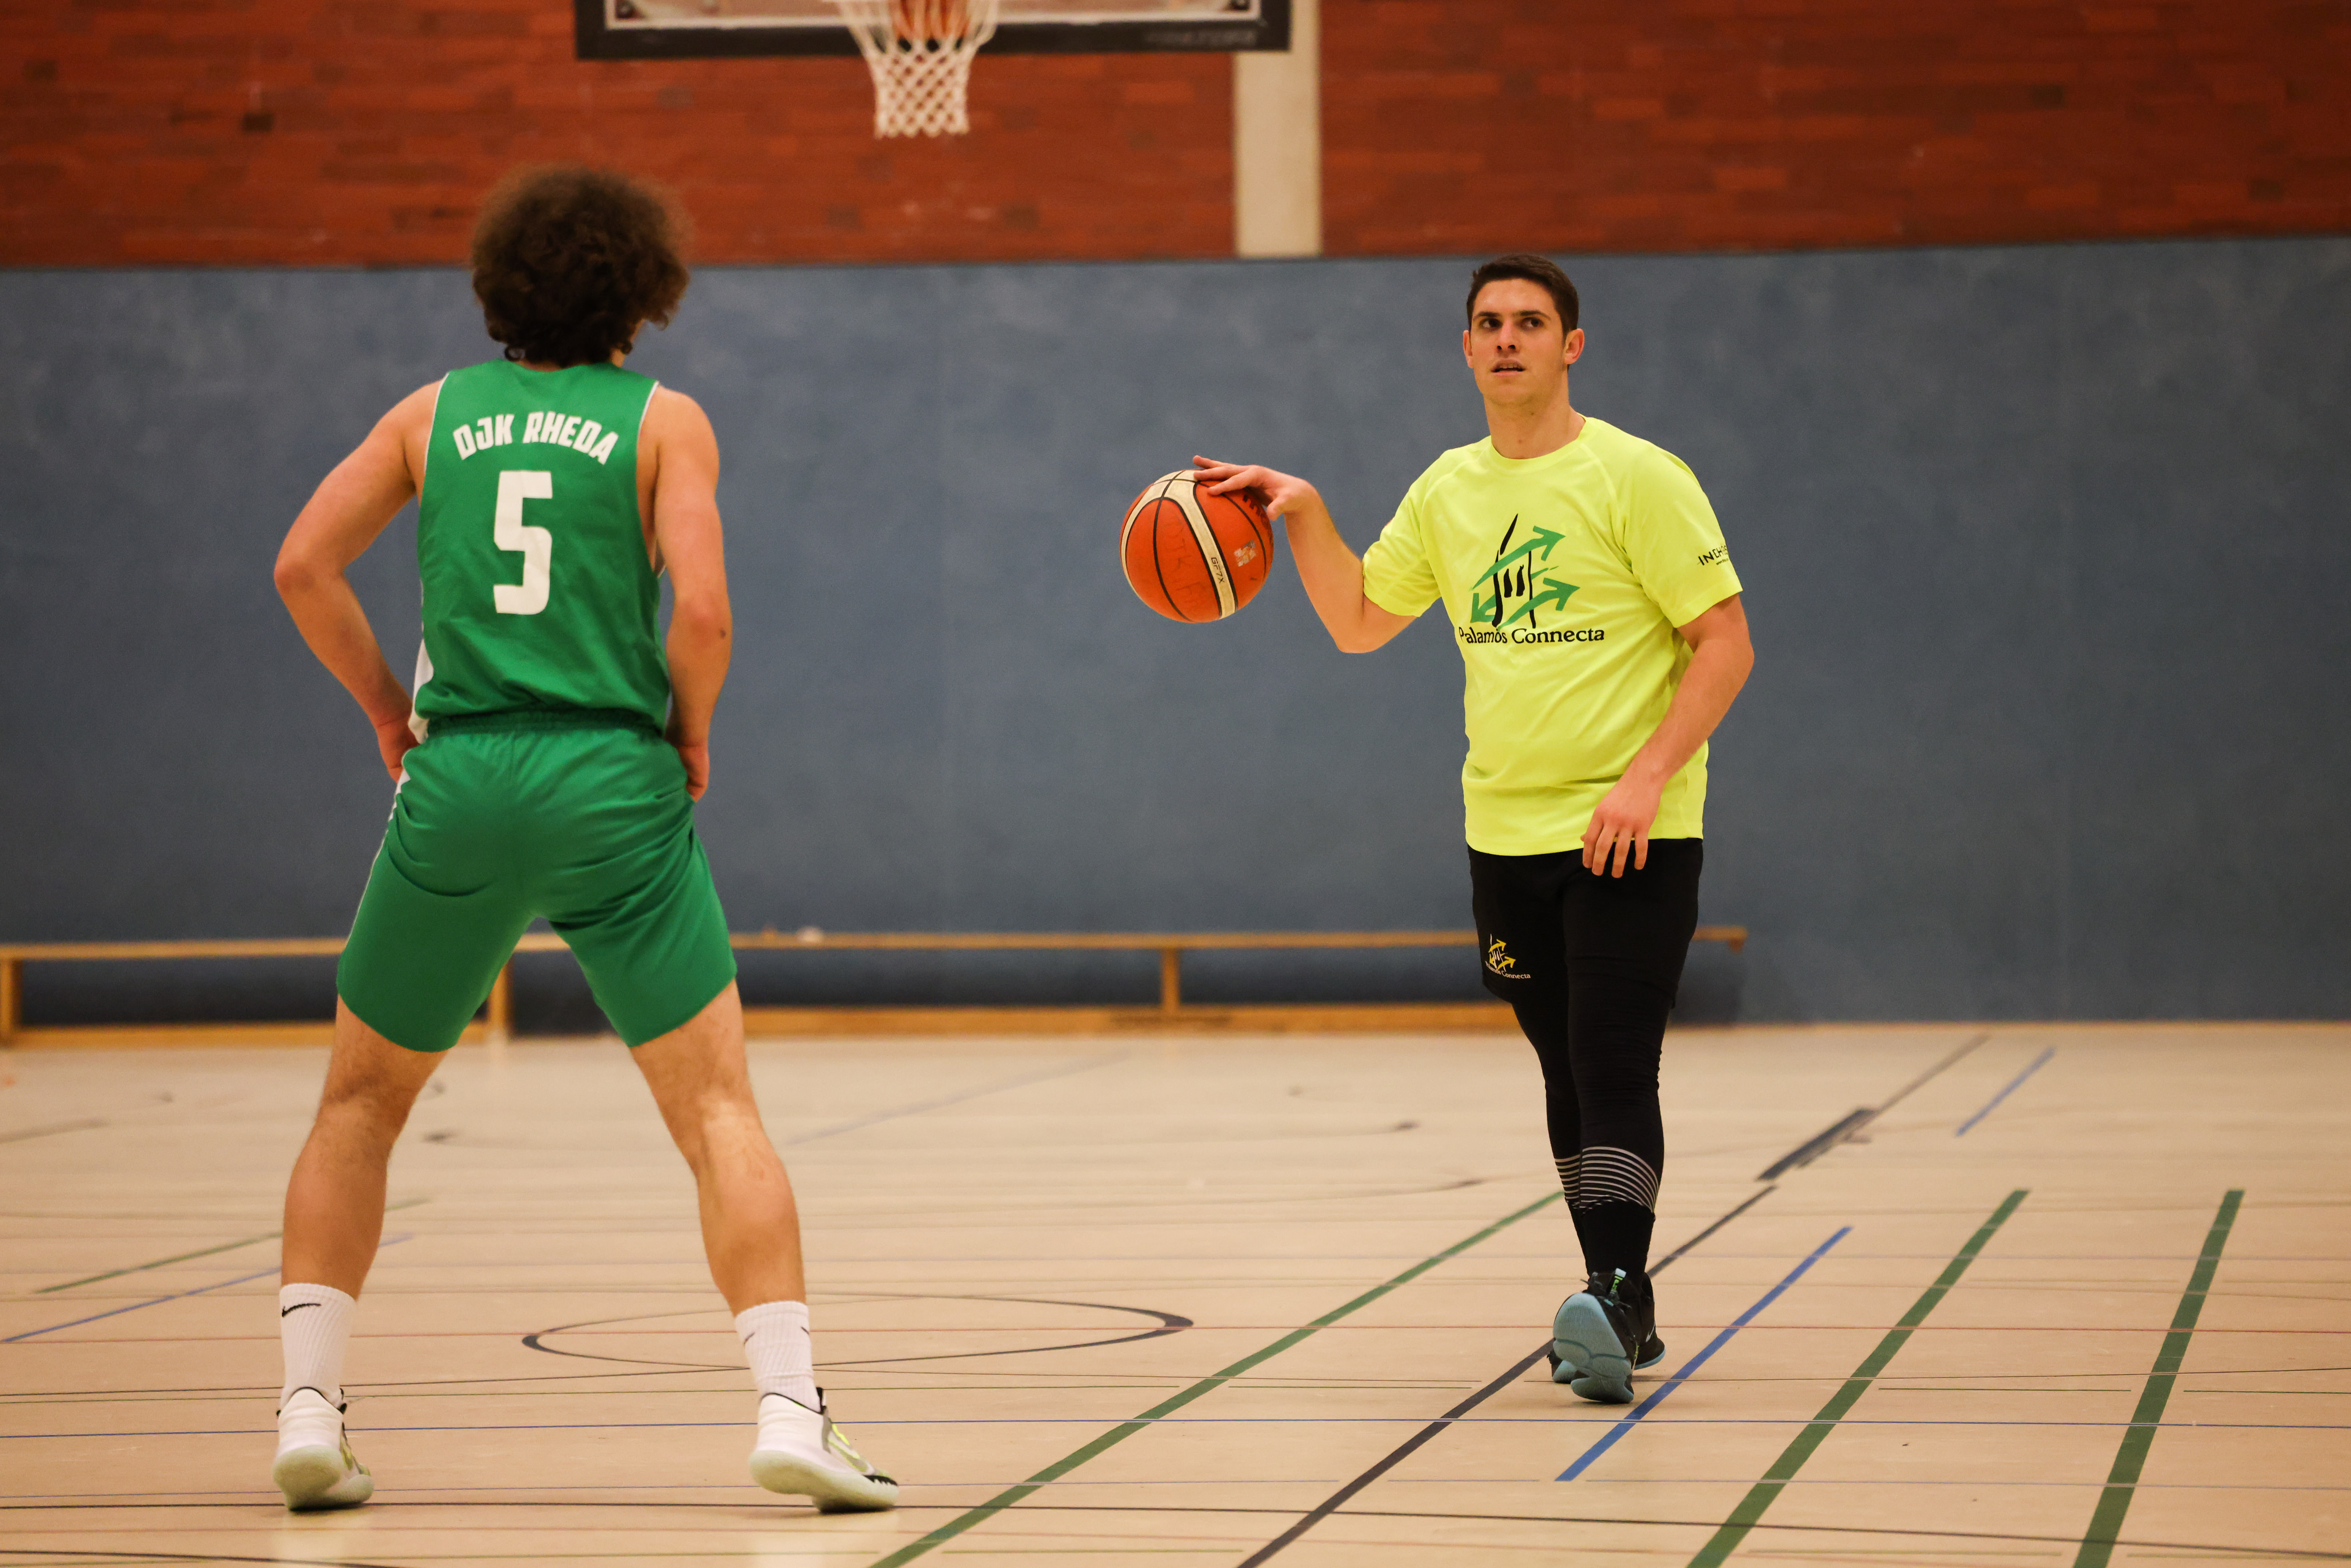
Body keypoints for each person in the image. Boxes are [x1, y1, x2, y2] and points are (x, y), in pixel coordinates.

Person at [267, 166, 897, 1511]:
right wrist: (691, 733)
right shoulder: (666, 424)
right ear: (643, 291)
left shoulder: (428, 416)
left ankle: (307, 1411)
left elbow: (301, 566)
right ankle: (791, 1411)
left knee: (360, 1106)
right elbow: (705, 612)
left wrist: (385, 706)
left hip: (461, 773)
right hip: (612, 780)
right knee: (716, 1111)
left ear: (498, 285)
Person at [1190, 253, 1753, 1404]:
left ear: (1569, 346)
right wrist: (1304, 514)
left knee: (1611, 1056)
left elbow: (1725, 644)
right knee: (1562, 1067)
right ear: (1464, 347)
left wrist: (1645, 779)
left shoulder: (1636, 477)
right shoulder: (1447, 490)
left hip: (1629, 830)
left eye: (1530, 322)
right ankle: (1616, 1299)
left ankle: (1616, 1290)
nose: (1507, 339)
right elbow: (1358, 621)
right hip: (1503, 834)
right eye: (1488, 322)